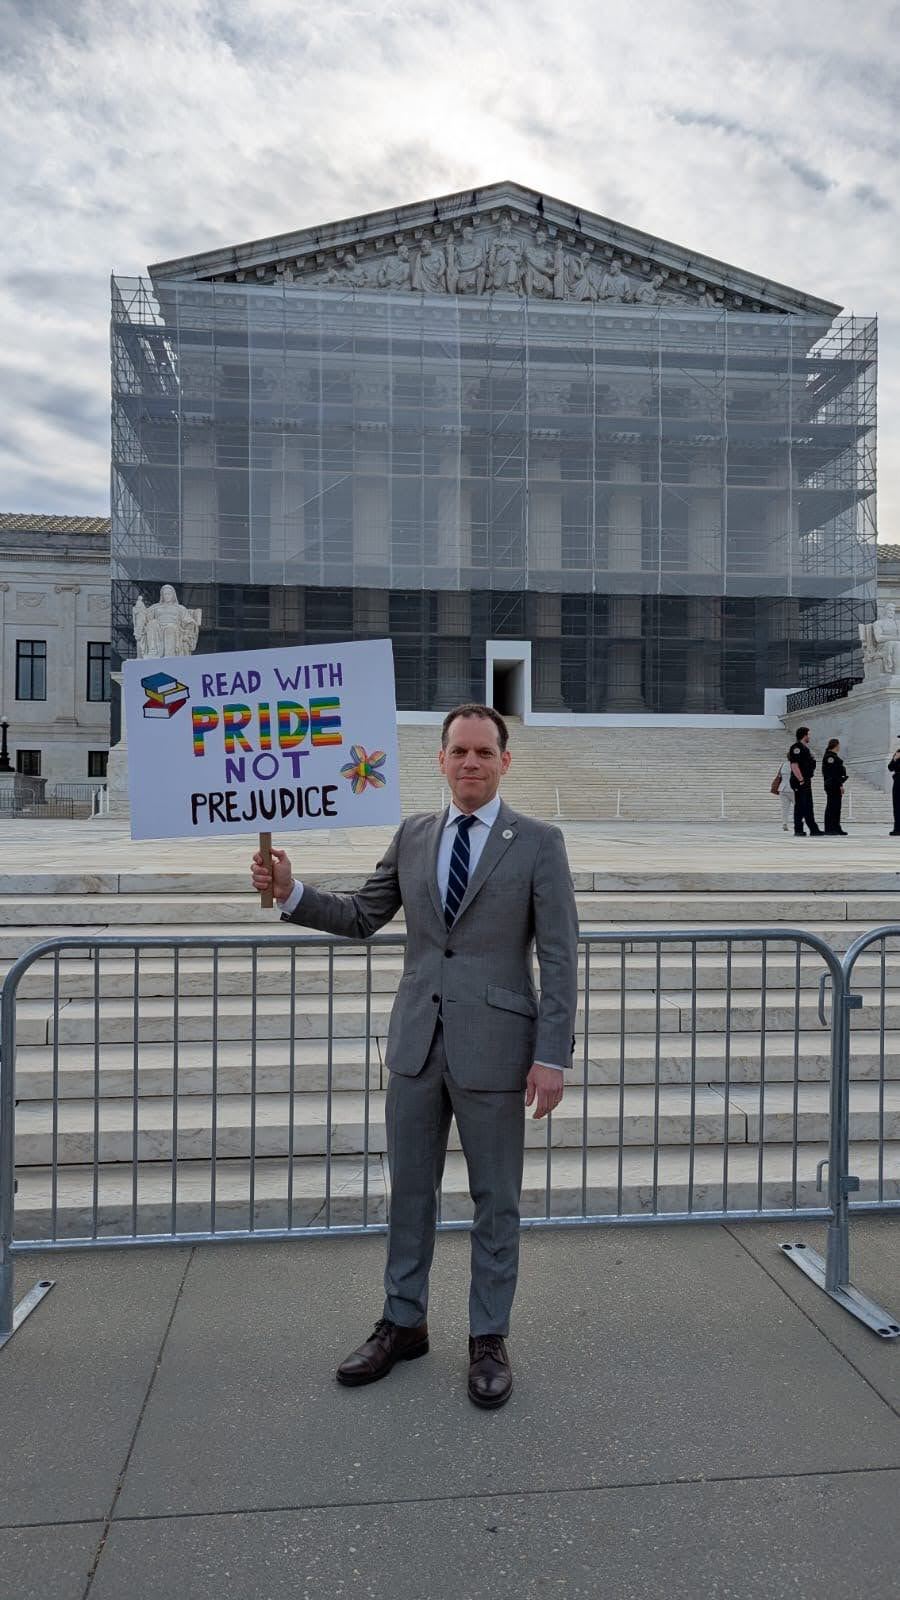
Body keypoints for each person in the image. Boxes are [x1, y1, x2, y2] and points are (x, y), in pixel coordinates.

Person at [250, 703, 578, 1409]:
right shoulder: (415, 834)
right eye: (458, 751)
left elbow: (559, 955)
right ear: (440, 758)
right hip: (416, 1049)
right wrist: (291, 892)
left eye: (484, 753)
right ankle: (403, 1323)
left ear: (504, 762)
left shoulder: (538, 843)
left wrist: (553, 1056)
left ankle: (488, 1336)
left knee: (497, 1202)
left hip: (497, 1051)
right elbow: (365, 915)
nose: (470, 763)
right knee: (409, 1195)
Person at [788, 726, 822, 836]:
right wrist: (801, 780)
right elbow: (794, 765)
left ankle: (813, 828)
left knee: (808, 805)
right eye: (808, 734)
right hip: (800, 781)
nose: (809, 736)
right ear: (804, 735)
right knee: (800, 805)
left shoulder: (805, 748)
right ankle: (798, 829)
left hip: (806, 780)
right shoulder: (796, 747)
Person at [822, 739, 848, 835]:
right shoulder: (830, 757)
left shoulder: (833, 756)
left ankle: (836, 827)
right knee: (831, 806)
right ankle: (829, 828)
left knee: (837, 807)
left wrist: (840, 784)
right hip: (832, 784)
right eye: (839, 745)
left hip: (835, 783)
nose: (839, 747)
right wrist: (839, 784)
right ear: (836, 745)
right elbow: (833, 773)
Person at [889, 744, 900, 834]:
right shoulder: (898, 752)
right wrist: (895, 759)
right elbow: (890, 768)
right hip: (898, 782)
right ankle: (897, 828)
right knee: (896, 805)